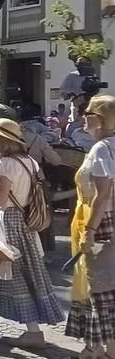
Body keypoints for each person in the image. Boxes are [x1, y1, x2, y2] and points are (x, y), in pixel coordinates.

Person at [0, 118, 64, 348]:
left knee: (8, 271)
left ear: (2, 140)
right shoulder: (29, 161)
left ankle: (32, 331)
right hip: (23, 222)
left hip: (8, 222)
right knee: (3, 271)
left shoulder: (4, 164)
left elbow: (0, 199)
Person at [65, 95, 115, 358]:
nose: (84, 116)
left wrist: (91, 231)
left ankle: (105, 349)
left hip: (99, 222)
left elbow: (102, 193)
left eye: (89, 113)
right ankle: (97, 347)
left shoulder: (101, 149)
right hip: (104, 219)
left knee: (100, 288)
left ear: (102, 119)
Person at [19, 103, 62, 252]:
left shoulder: (12, 137)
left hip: (15, 179)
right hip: (36, 178)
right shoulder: (38, 138)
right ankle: (42, 249)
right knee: (42, 213)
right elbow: (56, 161)